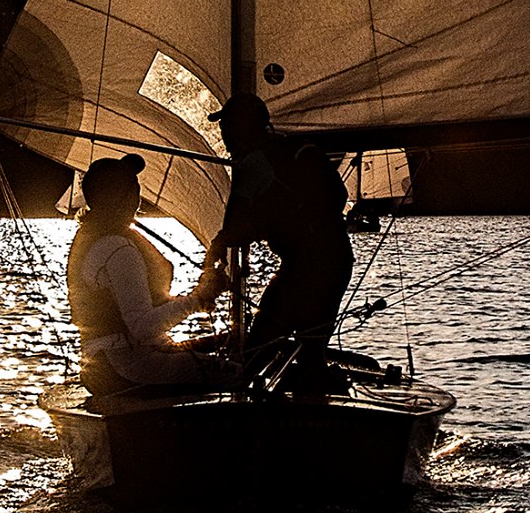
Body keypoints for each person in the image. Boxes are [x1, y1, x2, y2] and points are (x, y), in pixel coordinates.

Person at [207, 93, 353, 377]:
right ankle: (314, 392)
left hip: (303, 268)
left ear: (241, 129)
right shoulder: (296, 150)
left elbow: (236, 225)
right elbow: (339, 197)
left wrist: (216, 247)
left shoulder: (253, 163)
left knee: (258, 349)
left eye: (226, 127)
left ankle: (242, 396)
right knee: (311, 352)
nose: (224, 135)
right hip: (337, 261)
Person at [66, 153, 226, 397]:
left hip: (102, 364)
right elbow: (142, 327)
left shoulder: (92, 238)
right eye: (134, 187)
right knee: (237, 372)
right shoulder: (118, 249)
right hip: (126, 366)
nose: (138, 196)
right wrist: (199, 299)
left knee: (226, 346)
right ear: (127, 197)